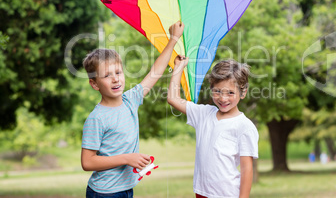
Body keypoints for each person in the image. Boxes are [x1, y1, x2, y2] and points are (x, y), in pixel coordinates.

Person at [81, 21, 184, 197]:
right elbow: (87, 162)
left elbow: (155, 72)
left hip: (126, 189)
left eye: (118, 72)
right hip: (105, 192)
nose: (115, 79)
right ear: (94, 84)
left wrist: (173, 39)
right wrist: (127, 158)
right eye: (107, 76)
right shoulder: (97, 118)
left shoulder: (130, 100)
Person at [168, 58, 259, 198]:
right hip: (201, 193)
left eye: (230, 93)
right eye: (217, 91)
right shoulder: (203, 114)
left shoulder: (244, 127)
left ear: (243, 92)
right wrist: (179, 67)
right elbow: (173, 99)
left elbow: (247, 169)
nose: (223, 98)